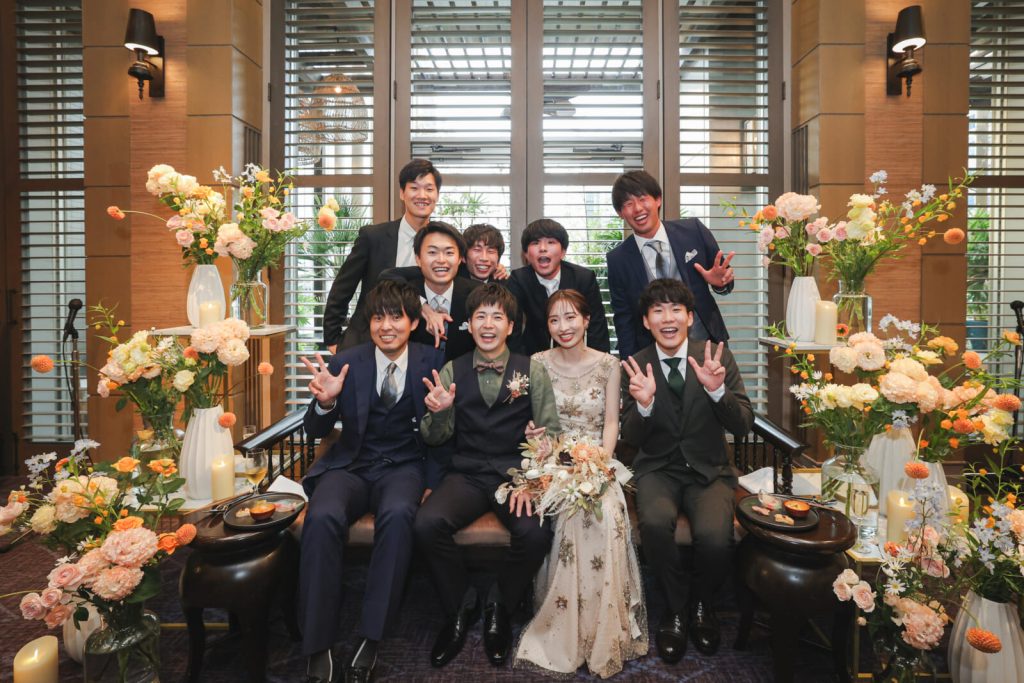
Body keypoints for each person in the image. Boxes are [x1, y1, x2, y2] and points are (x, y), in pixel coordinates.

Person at [298, 280, 446, 683]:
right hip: (351, 465)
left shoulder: (434, 360)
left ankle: (371, 637)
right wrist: (326, 402)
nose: (386, 326)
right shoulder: (347, 361)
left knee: (398, 515)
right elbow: (315, 429)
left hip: (404, 466)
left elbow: (446, 431)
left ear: (413, 322)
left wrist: (433, 479)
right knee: (322, 515)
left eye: (396, 317)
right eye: (378, 318)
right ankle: (317, 643)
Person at [413, 283, 560, 669]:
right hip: (467, 472)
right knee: (426, 523)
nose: (489, 324)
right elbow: (434, 437)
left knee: (535, 533)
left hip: (514, 474)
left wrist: (533, 474)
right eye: (481, 316)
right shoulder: (452, 369)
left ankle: (499, 602)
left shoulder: (533, 370)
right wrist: (440, 412)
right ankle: (460, 603)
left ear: (510, 326)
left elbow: (552, 433)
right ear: (470, 324)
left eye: (497, 317)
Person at [512, 289, 648, 678]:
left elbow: (611, 423)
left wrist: (598, 463)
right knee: (566, 511)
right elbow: (534, 419)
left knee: (604, 511)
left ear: (587, 320)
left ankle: (601, 626)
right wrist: (535, 437)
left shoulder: (608, 364)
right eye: (554, 320)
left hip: (596, 460)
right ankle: (563, 623)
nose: (563, 327)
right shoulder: (537, 362)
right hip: (552, 460)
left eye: (571, 317)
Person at [620, 278, 753, 663]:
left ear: (690, 317)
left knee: (715, 538)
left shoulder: (716, 357)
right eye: (658, 311)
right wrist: (644, 405)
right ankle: (676, 610)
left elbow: (743, 424)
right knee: (654, 526)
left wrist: (717, 391)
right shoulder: (636, 364)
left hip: (709, 469)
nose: (668, 318)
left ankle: (701, 604)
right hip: (658, 469)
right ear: (646, 321)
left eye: (676, 309)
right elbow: (630, 436)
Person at [607, 170, 736, 359]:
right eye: (628, 204)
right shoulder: (618, 259)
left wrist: (720, 283)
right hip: (653, 355)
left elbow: (725, 280)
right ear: (620, 213)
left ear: (658, 199)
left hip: (705, 345)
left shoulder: (694, 231)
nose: (638, 208)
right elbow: (623, 318)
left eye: (643, 199)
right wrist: (630, 364)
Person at [322, 158, 442, 352]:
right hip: (367, 341)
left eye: (429, 189)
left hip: (422, 345)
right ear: (402, 193)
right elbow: (343, 287)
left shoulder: (444, 242)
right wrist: (332, 339)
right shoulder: (373, 237)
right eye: (414, 188)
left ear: (437, 195)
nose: (422, 195)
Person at [506, 218, 610, 355]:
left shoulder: (583, 278)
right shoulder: (518, 280)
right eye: (535, 243)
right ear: (526, 254)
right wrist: (520, 364)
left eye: (551, 242)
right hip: (534, 356)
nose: (543, 248)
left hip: (577, 356)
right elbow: (512, 330)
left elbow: (597, 327)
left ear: (563, 252)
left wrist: (599, 363)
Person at [380, 221, 480, 361]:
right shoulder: (404, 294)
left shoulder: (477, 295)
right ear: (418, 259)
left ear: (459, 259)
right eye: (432, 252)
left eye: (449, 252)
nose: (441, 260)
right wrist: (422, 306)